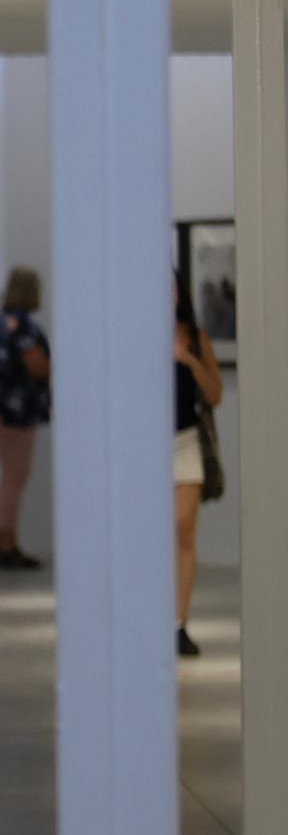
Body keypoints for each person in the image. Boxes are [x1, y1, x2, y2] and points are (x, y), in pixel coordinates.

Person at [0, 267, 52, 569]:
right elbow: (37, 366)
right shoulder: (21, 325)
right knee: (14, 478)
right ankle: (5, 543)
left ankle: (4, 540)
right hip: (17, 413)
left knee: (10, 478)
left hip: (3, 411)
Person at [174, 269, 224, 657]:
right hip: (147, 447)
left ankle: (179, 622)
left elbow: (214, 393)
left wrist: (189, 361)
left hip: (186, 441)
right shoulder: (135, 334)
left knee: (184, 528)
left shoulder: (195, 336)